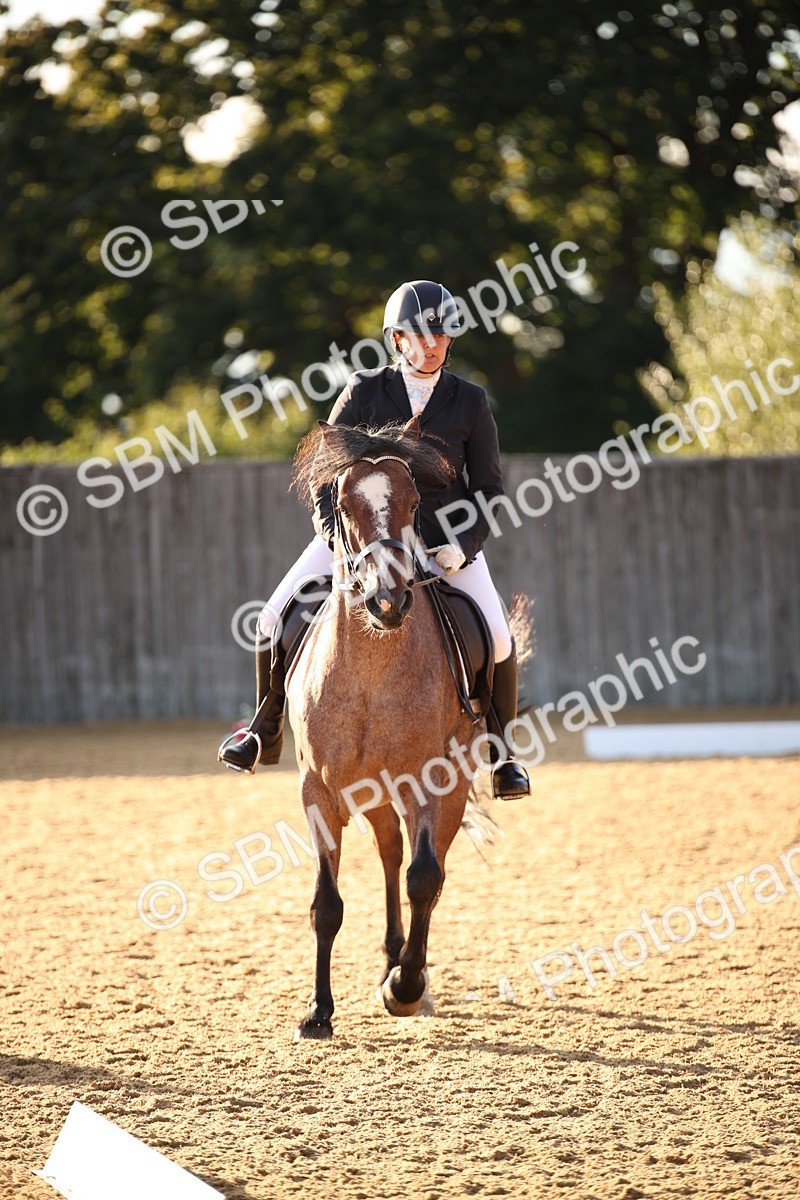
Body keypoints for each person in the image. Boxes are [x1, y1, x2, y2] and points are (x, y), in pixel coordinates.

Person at [218, 280, 531, 800]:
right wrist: (335, 535)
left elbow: (490, 489)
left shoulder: (470, 402)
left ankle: (503, 757)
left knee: (499, 638)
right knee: (270, 617)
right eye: (420, 334)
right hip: (360, 535)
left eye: (441, 335)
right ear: (396, 339)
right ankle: (261, 730)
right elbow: (323, 471)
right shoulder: (364, 390)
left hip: (438, 543)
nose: (432, 344)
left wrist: (463, 545)